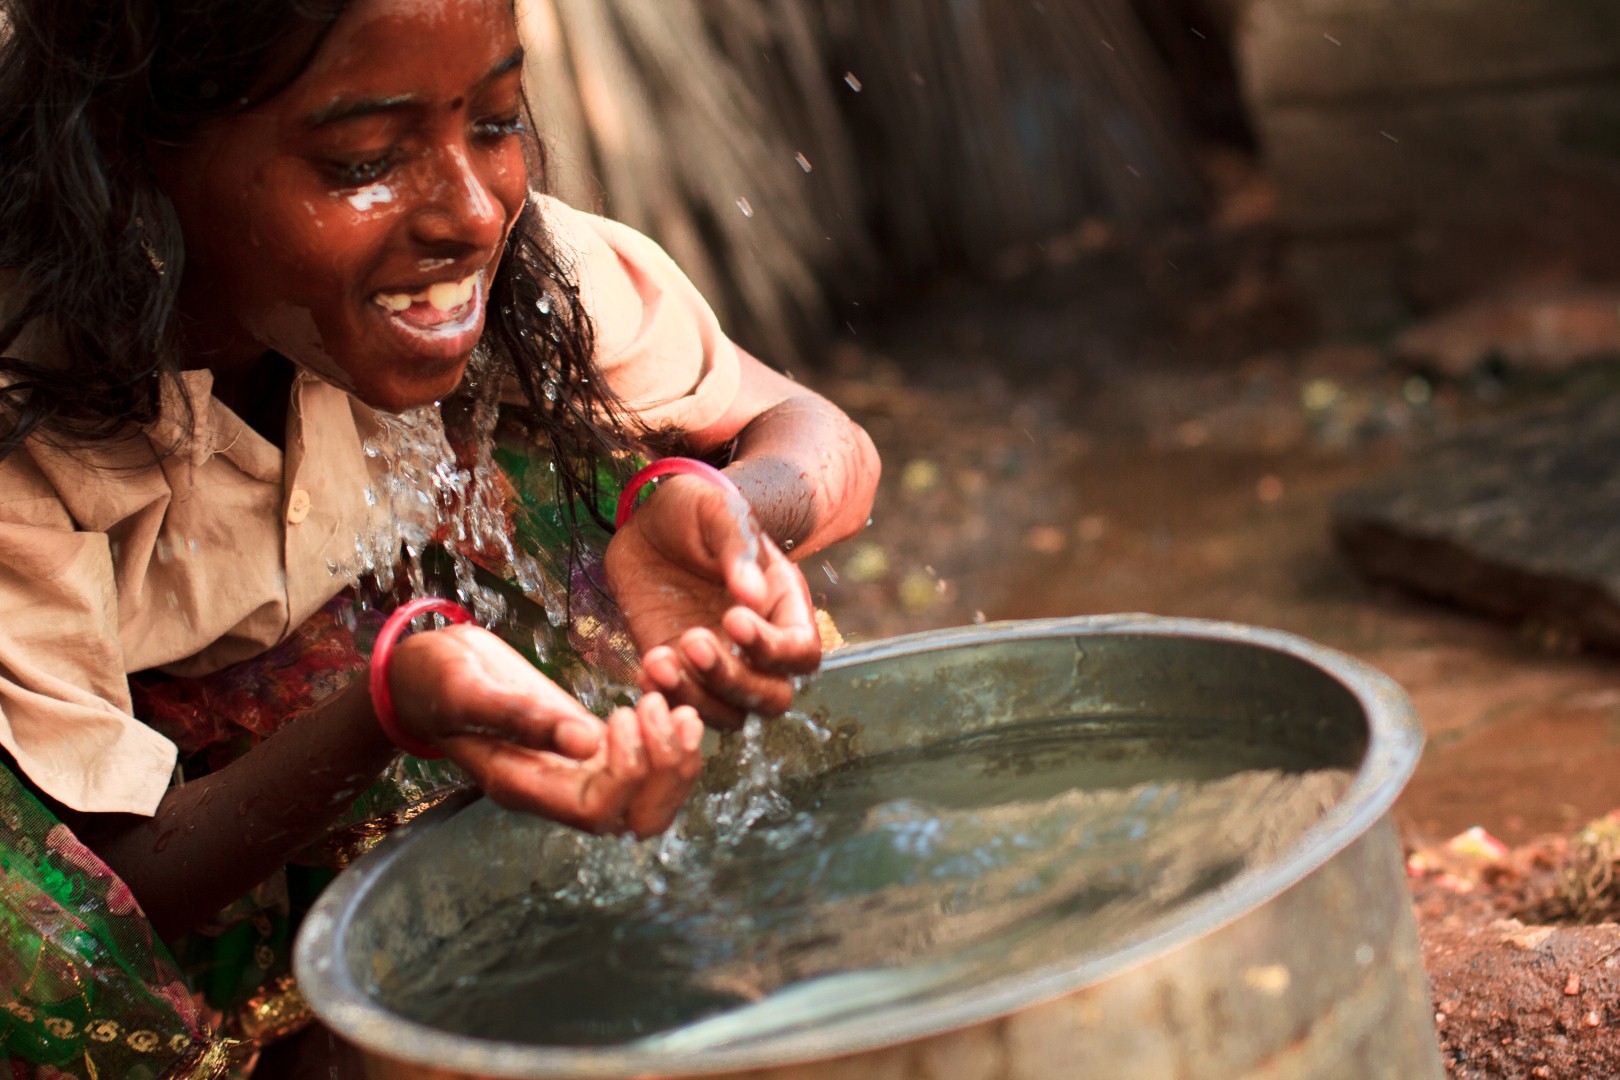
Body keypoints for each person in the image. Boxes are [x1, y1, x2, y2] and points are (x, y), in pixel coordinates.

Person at [0, 0, 880, 1075]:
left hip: (383, 688)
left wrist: (732, 504)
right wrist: (389, 704)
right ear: (130, 151)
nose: (471, 212)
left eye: (497, 120)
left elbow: (819, 439)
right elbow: (104, 893)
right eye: (364, 158)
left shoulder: (513, 270)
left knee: (597, 485)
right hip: (133, 825)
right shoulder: (25, 422)